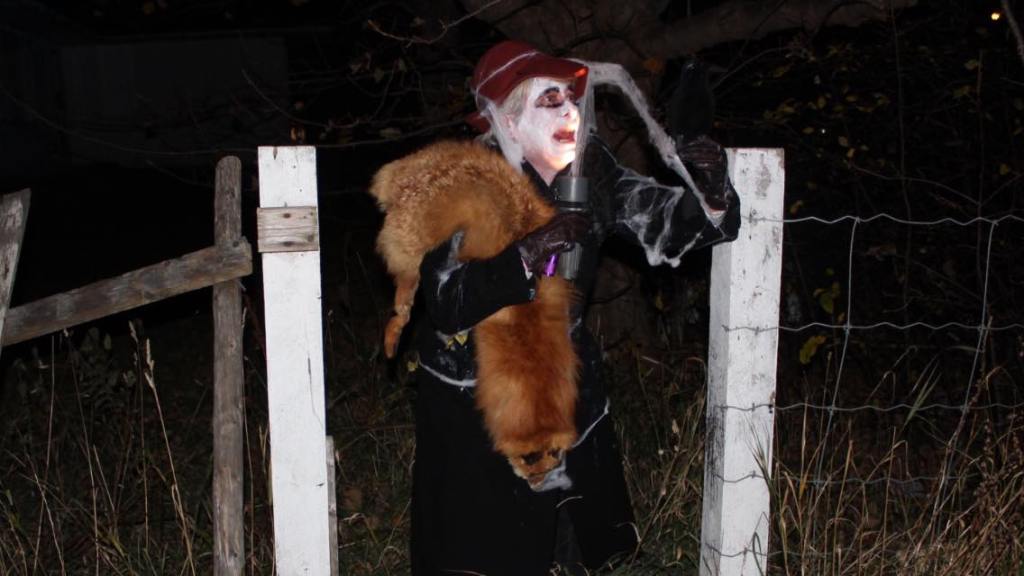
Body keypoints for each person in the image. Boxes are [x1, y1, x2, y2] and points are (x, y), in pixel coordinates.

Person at [408, 40, 741, 575]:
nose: (569, 112)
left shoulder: (593, 170)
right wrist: (528, 253)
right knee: (487, 547)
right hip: (477, 397)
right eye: (549, 100)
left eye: (570, 98)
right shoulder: (466, 186)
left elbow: (669, 224)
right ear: (508, 121)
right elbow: (446, 300)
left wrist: (711, 186)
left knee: (578, 543)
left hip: (566, 384)